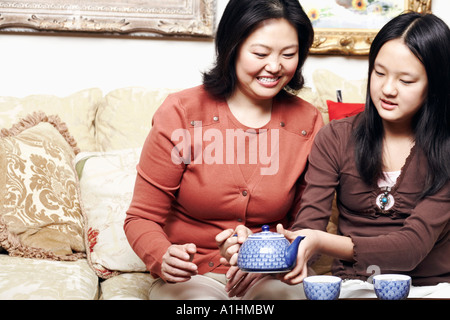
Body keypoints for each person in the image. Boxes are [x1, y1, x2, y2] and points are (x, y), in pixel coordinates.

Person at [219, 12, 450, 299]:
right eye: (379, 73)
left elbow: (411, 248)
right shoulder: (336, 137)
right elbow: (309, 226)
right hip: (355, 286)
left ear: (435, 86)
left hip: (432, 289)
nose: (387, 89)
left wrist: (321, 242)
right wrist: (261, 250)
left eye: (406, 80)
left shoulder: (445, 150)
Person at [124, 0, 323, 300]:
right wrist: (163, 256)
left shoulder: (308, 122)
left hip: (269, 276)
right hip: (194, 277)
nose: (274, 66)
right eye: (260, 53)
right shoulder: (181, 113)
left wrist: (263, 257)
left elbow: (307, 224)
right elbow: (141, 217)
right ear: (232, 47)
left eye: (289, 55)